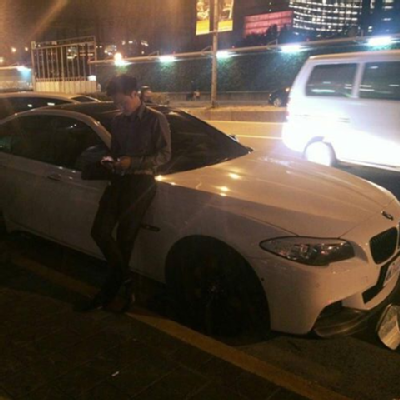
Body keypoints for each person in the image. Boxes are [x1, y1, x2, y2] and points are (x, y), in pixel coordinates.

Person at [81, 74, 171, 312]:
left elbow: (164, 155)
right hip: (119, 180)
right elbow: (116, 151)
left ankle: (108, 294)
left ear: (135, 94)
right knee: (99, 231)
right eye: (116, 103)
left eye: (122, 102)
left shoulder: (155, 119)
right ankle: (127, 281)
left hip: (141, 183)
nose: (120, 107)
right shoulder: (118, 121)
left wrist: (134, 162)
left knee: (125, 239)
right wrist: (110, 161)